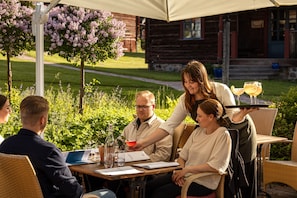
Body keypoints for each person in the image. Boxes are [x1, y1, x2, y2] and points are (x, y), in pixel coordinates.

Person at [135, 60, 258, 198]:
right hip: (213, 135)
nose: (188, 86)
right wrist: (143, 143)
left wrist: (242, 113)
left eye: (192, 81)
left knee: (241, 173)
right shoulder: (186, 101)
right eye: (185, 82)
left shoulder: (220, 90)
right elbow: (169, 125)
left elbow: (233, 117)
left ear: (201, 79)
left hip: (239, 130)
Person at [0, 95, 116, 198]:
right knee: (108, 194)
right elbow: (73, 191)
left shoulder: (5, 146)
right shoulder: (47, 151)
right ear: (43, 120)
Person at [146, 99, 232, 197]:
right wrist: (180, 172)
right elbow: (182, 157)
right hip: (186, 176)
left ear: (211, 117)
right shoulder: (198, 132)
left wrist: (187, 170)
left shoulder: (222, 135)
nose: (197, 118)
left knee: (160, 193)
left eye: (200, 116)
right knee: (148, 186)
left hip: (202, 182)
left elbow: (216, 166)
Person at [123, 90, 172, 162]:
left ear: (153, 107)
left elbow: (164, 155)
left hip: (148, 169)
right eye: (138, 106)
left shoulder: (162, 127)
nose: (140, 110)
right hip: (128, 165)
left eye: (144, 106)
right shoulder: (131, 125)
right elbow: (119, 144)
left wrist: (141, 160)